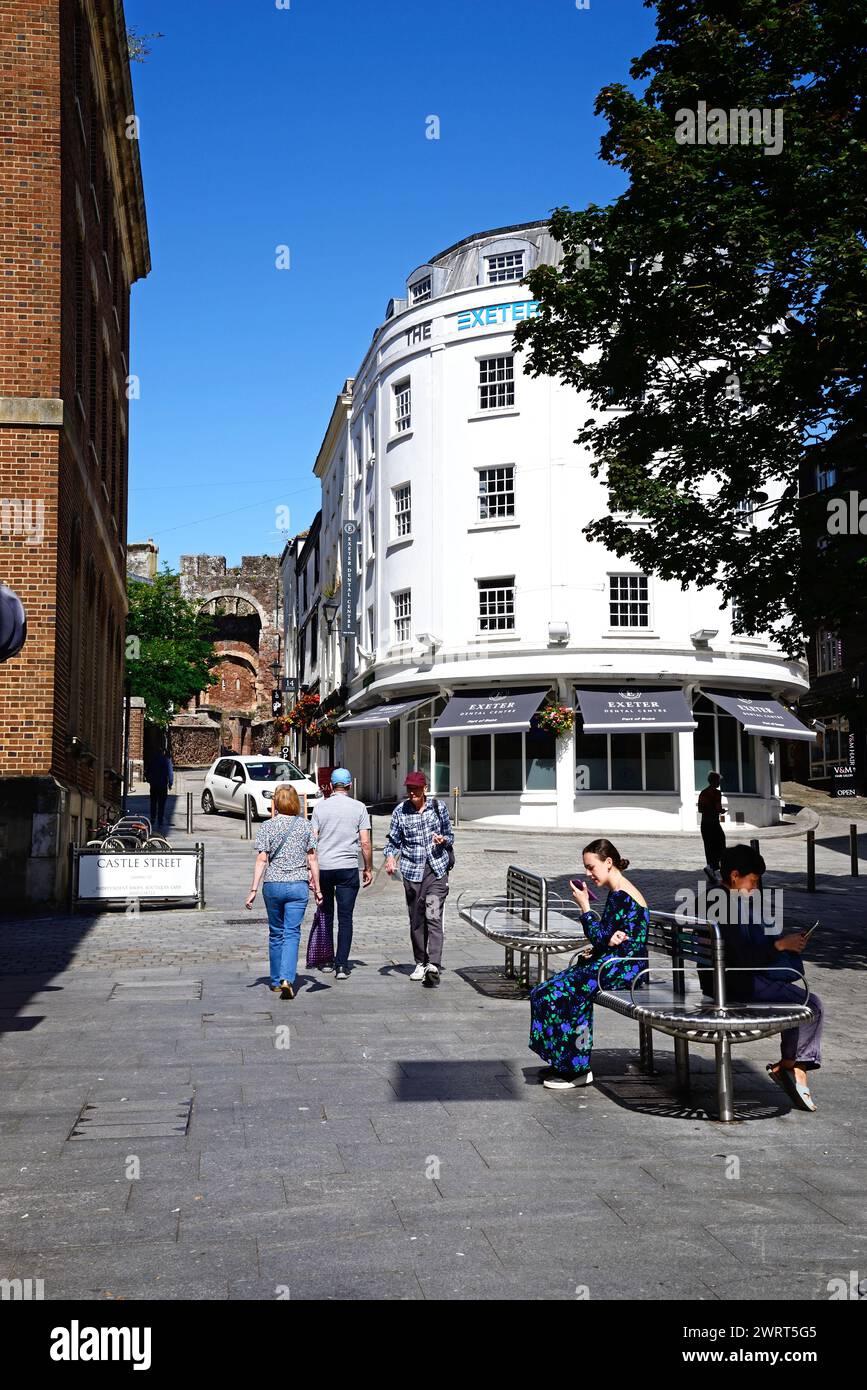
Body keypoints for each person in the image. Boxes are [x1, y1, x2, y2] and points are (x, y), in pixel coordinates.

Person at [529, 838, 649, 1090]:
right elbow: (608, 937)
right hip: (616, 963)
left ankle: (577, 1069)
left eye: (591, 867)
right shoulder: (620, 891)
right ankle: (563, 1061)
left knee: (563, 993)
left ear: (608, 863)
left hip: (622, 969)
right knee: (544, 990)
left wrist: (584, 907)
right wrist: (601, 944)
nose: (587, 873)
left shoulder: (620, 895)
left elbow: (602, 935)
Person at [716, 844, 823, 1112]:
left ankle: (791, 1065)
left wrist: (783, 943)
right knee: (812, 1005)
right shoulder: (727, 907)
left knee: (797, 999)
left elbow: (747, 948)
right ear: (734, 875)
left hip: (727, 980)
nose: (754, 887)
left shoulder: (719, 900)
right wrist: (780, 946)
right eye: (752, 880)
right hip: (739, 984)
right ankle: (791, 1067)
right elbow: (746, 958)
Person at [245, 784, 322, 1000]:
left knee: (276, 933)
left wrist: (253, 889)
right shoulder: (306, 826)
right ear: (295, 802)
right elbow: (312, 858)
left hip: (273, 886)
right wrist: (318, 887)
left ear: (276, 802)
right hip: (298, 885)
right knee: (292, 932)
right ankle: (288, 978)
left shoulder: (267, 826)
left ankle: (276, 980)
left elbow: (262, 860)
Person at [384, 771, 454, 986]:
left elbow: (450, 836)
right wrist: (389, 858)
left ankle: (433, 964)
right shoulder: (400, 812)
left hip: (436, 872)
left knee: (433, 915)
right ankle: (420, 962)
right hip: (412, 873)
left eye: (416, 788)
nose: (412, 792)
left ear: (425, 789)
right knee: (417, 920)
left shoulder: (438, 807)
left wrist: (443, 840)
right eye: (409, 789)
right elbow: (393, 841)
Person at [310, 768, 373, 980]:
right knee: (345, 918)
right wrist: (368, 867)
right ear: (349, 785)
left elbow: (313, 841)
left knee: (326, 914)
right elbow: (365, 842)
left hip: (325, 868)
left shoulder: (320, 808)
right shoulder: (359, 808)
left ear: (330, 785)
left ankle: (326, 961)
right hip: (347, 868)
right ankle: (342, 965)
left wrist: (312, 871)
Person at [698, 771, 726, 882]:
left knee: (708, 846)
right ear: (715, 781)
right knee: (720, 843)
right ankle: (717, 867)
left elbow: (700, 809)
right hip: (714, 823)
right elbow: (718, 808)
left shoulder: (703, 793)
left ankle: (710, 867)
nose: (719, 782)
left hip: (704, 823)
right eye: (718, 780)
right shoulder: (716, 793)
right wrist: (721, 811)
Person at [144, 741, 174, 830]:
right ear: (163, 752)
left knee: (153, 802)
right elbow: (170, 773)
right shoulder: (166, 760)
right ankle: (160, 819)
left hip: (154, 785)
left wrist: (149, 780)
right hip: (163, 785)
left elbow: (147, 771)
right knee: (161, 804)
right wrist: (170, 783)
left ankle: (153, 818)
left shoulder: (152, 759)